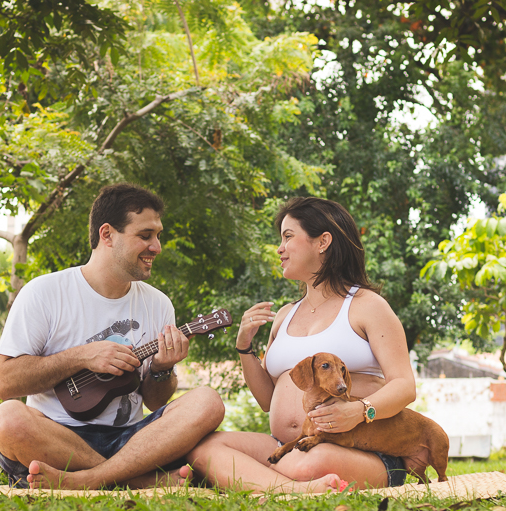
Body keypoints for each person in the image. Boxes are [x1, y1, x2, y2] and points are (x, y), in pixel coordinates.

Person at [183, 196, 427, 493]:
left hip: (361, 448)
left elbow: (404, 386)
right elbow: (267, 400)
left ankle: (259, 478)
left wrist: (362, 411)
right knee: (205, 447)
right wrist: (244, 348)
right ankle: (296, 489)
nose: (280, 248)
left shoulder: (367, 306)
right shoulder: (285, 315)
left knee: (309, 464)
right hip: (288, 445)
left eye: (288, 237)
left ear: (323, 241)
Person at [0, 183, 224, 490]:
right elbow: (5, 383)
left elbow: (155, 402)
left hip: (132, 441)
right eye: (145, 235)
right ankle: (139, 481)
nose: (157, 246)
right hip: (55, 438)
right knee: (8, 419)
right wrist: (82, 356)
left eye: (157, 235)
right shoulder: (44, 292)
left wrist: (162, 368)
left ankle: (87, 480)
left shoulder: (158, 304)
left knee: (208, 401)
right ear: (107, 235)